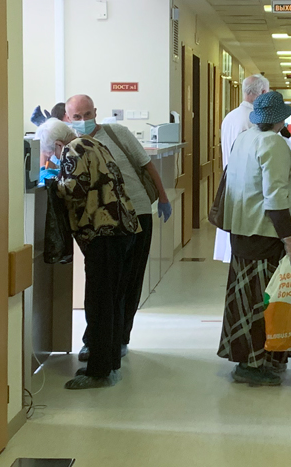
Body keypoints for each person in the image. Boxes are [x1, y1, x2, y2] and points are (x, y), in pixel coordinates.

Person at [36, 118, 140, 389]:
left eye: (52, 154)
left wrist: (52, 183)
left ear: (58, 145)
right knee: (112, 300)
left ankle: (99, 372)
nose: (54, 159)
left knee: (99, 302)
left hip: (104, 233)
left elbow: (74, 188)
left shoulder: (73, 149)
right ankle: (108, 361)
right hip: (123, 230)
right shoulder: (94, 143)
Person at [65, 94, 170, 362]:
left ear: (96, 112)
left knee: (130, 281)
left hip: (137, 212)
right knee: (104, 286)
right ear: (68, 118)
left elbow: (147, 165)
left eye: (88, 114)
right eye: (77, 117)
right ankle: (96, 341)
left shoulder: (117, 133)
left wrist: (164, 198)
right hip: (106, 224)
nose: (83, 121)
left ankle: (121, 337)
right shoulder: (74, 143)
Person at [217, 91, 291, 386]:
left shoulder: (243, 139)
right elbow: (275, 197)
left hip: (241, 229)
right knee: (264, 301)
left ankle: (247, 357)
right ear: (280, 119)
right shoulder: (274, 143)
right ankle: (257, 363)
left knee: (243, 297)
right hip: (266, 232)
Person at [213, 74, 271, 263]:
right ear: (262, 93)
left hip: (232, 185)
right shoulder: (254, 120)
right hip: (249, 188)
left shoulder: (230, 117)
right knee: (246, 249)